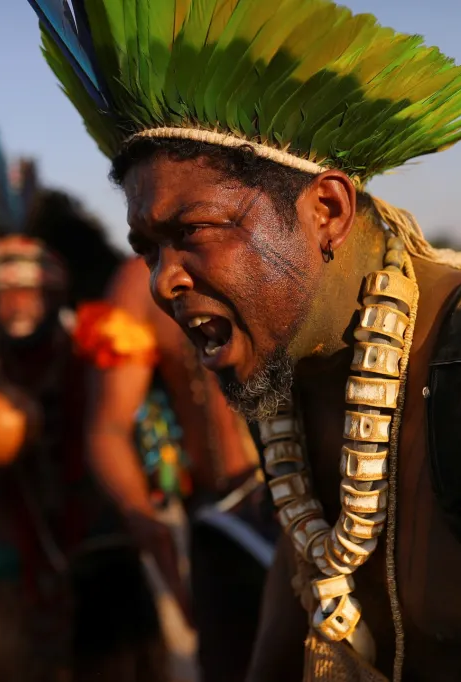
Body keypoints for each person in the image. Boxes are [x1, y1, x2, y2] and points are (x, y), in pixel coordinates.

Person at [30, 1, 461, 680]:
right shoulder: (292, 390)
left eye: (193, 232)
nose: (163, 281)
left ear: (327, 209)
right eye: (148, 249)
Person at [0, 128, 165, 682]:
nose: (17, 305)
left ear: (55, 293)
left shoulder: (92, 358)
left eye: (30, 291)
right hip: (14, 550)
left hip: (99, 543)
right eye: (5, 293)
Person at [83, 255, 280, 682]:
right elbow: (109, 429)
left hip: (337, 517)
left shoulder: (300, 235)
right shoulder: (144, 279)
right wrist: (146, 522)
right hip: (227, 530)